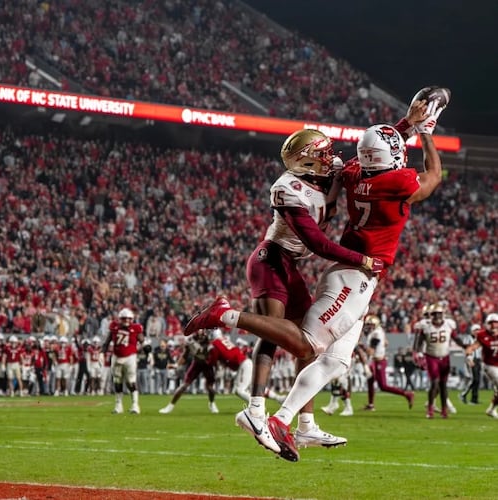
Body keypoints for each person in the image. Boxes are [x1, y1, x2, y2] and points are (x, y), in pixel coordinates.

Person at [184, 89, 447, 461]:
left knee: (331, 359)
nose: (332, 158)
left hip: (324, 268)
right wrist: (425, 129)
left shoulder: (350, 173)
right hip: (289, 261)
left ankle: (300, 424)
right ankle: (244, 369)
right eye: (322, 154)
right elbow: (430, 175)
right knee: (296, 342)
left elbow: (375, 152)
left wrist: (408, 124)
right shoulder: (296, 188)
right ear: (305, 162)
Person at [413, 303, 465, 419]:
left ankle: (444, 410)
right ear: (431, 315)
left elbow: (456, 338)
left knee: (443, 385)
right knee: (434, 382)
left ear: (443, 314)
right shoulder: (426, 327)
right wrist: (418, 354)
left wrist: (465, 346)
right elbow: (418, 342)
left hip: (445, 357)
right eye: (434, 314)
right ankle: (430, 408)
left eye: (439, 313)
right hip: (431, 357)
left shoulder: (448, 325)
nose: (437, 316)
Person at [361, 315, 414, 411]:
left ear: (376, 324)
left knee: (383, 386)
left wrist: (361, 347)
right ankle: (371, 404)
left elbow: (371, 351)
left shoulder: (375, 334)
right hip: (376, 359)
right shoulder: (379, 330)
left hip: (379, 361)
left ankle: (407, 394)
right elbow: (386, 342)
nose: (369, 327)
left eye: (371, 325)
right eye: (368, 325)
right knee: (370, 381)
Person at [158, 330, 219, 414]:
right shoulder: (191, 340)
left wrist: (217, 367)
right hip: (196, 363)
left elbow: (215, 356)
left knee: (210, 388)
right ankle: (170, 406)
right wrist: (176, 365)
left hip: (207, 364)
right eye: (200, 330)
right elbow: (185, 355)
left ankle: (212, 403)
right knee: (184, 385)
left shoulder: (211, 340)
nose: (202, 332)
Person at [103, 307, 144, 414]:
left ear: (132, 319)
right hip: (116, 356)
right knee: (117, 381)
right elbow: (108, 339)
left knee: (131, 381)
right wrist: (104, 347)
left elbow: (141, 339)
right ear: (120, 319)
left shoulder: (135, 328)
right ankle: (118, 405)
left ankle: (135, 405)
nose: (126, 321)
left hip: (130, 357)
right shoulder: (114, 326)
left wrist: (146, 346)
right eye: (124, 318)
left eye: (128, 319)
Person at [464, 313, 498, 419]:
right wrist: (469, 358)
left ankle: (491, 409)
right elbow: (471, 347)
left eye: (495, 323)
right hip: (489, 365)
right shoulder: (483, 335)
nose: (493, 326)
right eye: (490, 323)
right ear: (486, 324)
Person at [459, 324, 482, 405]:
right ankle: (463, 394)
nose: (477, 331)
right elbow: (465, 349)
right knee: (474, 379)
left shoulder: (480, 338)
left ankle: (474, 399)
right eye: (476, 330)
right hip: (471, 359)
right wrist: (469, 359)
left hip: (478, 360)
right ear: (472, 331)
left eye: (478, 330)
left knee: (478, 380)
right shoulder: (467, 338)